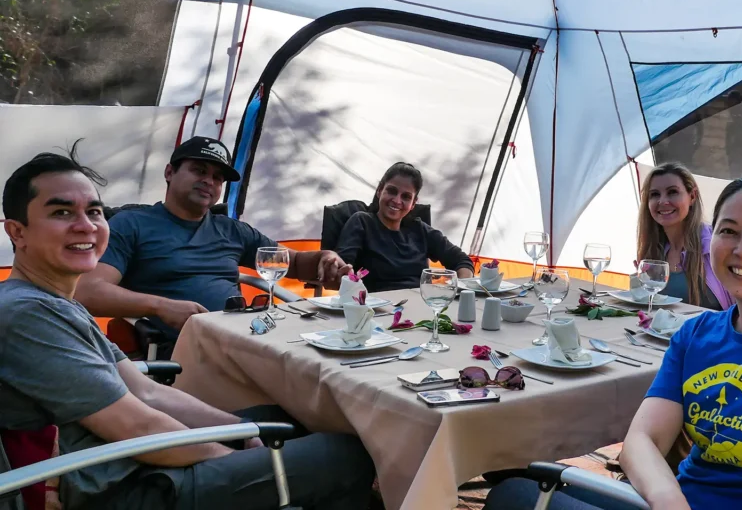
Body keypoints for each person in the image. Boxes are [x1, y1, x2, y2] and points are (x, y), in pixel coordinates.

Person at [484, 173, 742, 510]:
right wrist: (669, 501)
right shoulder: (696, 335)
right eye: (729, 231)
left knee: (515, 497)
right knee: (514, 489)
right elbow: (642, 441)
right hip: (678, 501)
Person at [0, 145, 374, 510]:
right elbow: (138, 425)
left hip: (126, 455)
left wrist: (244, 432)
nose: (85, 226)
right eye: (62, 212)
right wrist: (234, 456)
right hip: (119, 484)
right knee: (349, 454)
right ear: (17, 232)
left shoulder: (56, 304)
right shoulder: (29, 315)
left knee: (293, 420)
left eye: (94, 212)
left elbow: (148, 393)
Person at [74, 136, 351, 350]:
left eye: (217, 177)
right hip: (188, 349)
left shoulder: (232, 230)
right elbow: (87, 291)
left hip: (248, 336)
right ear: (169, 172)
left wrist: (325, 259)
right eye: (199, 170)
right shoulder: (132, 224)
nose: (209, 181)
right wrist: (160, 307)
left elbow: (296, 263)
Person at [335, 162, 474, 292]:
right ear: (379, 191)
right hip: (375, 305)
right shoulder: (362, 222)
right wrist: (339, 271)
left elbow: (462, 261)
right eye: (391, 191)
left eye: (406, 197)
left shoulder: (420, 230)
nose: (397, 201)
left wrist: (460, 290)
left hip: (421, 304)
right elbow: (342, 270)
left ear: (413, 203)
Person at [636, 162, 731, 310]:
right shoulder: (654, 249)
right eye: (654, 194)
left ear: (692, 196)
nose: (663, 201)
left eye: (672, 192)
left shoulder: (715, 244)